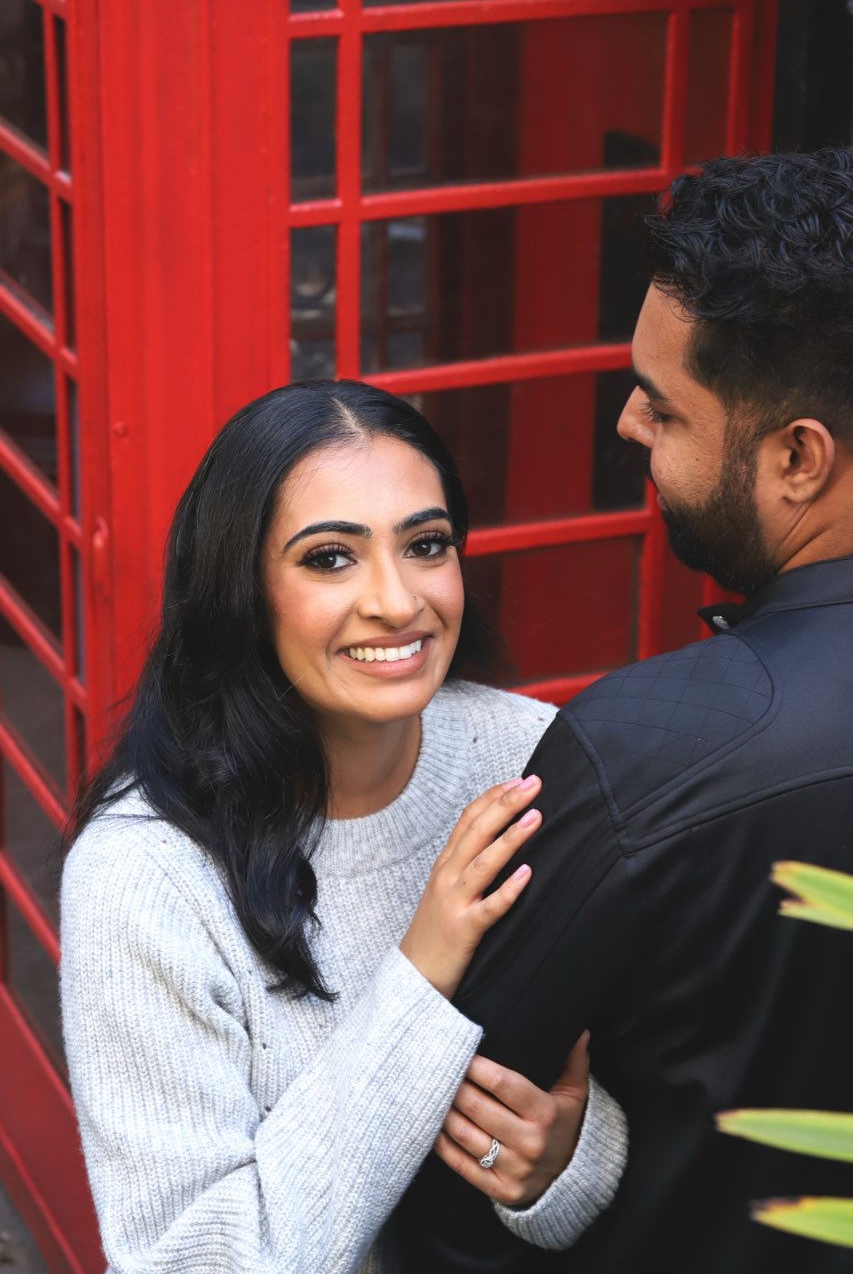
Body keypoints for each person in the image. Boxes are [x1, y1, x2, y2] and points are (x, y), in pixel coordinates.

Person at [398, 147, 853, 1273]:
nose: (625, 423)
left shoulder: (644, 756)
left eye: (664, 403)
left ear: (798, 457)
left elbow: (457, 1163)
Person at [60, 380, 627, 1274]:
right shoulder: (145, 876)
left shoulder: (532, 760)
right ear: (241, 589)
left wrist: (562, 1163)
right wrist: (422, 969)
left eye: (425, 544)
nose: (397, 602)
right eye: (330, 558)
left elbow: (656, 1098)